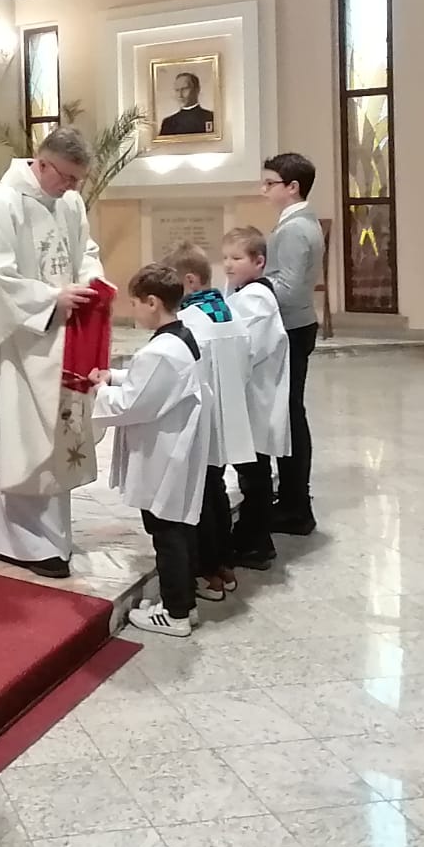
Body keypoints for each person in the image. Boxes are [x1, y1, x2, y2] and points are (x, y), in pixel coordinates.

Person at [0, 128, 106, 579]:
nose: (71, 187)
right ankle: (9, 539)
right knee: (13, 440)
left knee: (51, 442)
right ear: (42, 162)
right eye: (66, 177)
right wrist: (51, 298)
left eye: (78, 180)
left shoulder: (69, 203)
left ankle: (52, 538)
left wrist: (90, 282)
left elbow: (86, 252)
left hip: (58, 345)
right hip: (11, 349)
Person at [92, 264, 208, 638]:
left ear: (153, 302)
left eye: (136, 303)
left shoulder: (160, 351)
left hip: (165, 453)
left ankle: (175, 614)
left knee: (166, 531)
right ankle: (184, 605)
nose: (134, 310)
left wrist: (100, 390)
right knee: (178, 527)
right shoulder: (180, 338)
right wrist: (116, 376)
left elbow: (132, 404)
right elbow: (154, 383)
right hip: (175, 447)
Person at [166, 241, 259, 586]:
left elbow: (180, 376)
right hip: (228, 416)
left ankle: (207, 571)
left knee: (199, 495)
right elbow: (248, 363)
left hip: (198, 419)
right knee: (215, 486)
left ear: (189, 281)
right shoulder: (232, 313)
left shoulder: (188, 322)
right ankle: (224, 563)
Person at [215, 227, 289, 571]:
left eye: (237, 258)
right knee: (250, 471)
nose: (228, 264)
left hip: (253, 398)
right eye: (225, 257)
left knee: (254, 474)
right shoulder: (240, 292)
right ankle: (253, 538)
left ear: (259, 262)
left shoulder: (256, 299)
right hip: (245, 397)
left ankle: (256, 543)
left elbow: (246, 349)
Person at [261, 152, 323, 535]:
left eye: (270, 183)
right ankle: (291, 498)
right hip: (294, 326)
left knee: (289, 417)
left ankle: (296, 507)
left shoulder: (296, 228)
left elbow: (289, 289)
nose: (263, 190)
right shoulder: (297, 222)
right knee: (287, 415)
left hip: (291, 328)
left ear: (292, 187)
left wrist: (252, 286)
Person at [158, 70, 212, 136]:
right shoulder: (168, 123)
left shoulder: (211, 117)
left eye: (185, 89)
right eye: (177, 90)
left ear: (197, 90)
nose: (180, 95)